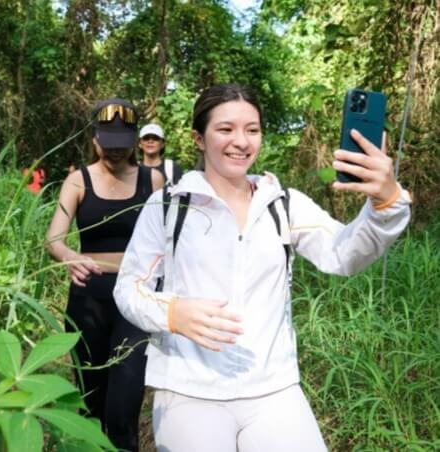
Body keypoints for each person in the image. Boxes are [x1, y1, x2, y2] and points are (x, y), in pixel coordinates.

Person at [114, 83, 411, 451]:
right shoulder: (169, 206)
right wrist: (172, 312)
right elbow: (128, 287)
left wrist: (387, 203)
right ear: (198, 138)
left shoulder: (282, 204)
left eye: (252, 130)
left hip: (274, 389)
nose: (241, 141)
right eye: (225, 129)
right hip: (189, 389)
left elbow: (343, 254)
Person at [46, 98, 165, 451]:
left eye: (122, 146)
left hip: (135, 297)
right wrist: (69, 255)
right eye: (108, 144)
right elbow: (54, 237)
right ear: (95, 139)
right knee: (91, 401)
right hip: (88, 298)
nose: (114, 153)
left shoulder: (152, 179)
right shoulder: (78, 181)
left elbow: (168, 236)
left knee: (123, 406)